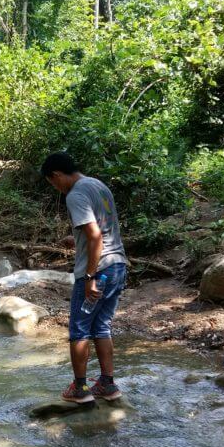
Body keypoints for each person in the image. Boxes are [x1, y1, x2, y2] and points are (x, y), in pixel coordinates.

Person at [42, 152, 127, 404]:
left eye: (53, 183)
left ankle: (80, 388)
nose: (56, 188)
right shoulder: (98, 185)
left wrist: (90, 276)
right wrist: (75, 241)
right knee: (102, 327)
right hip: (117, 265)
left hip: (98, 271)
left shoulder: (76, 194)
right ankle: (107, 385)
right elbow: (104, 227)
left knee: (79, 330)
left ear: (56, 175)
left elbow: (95, 236)